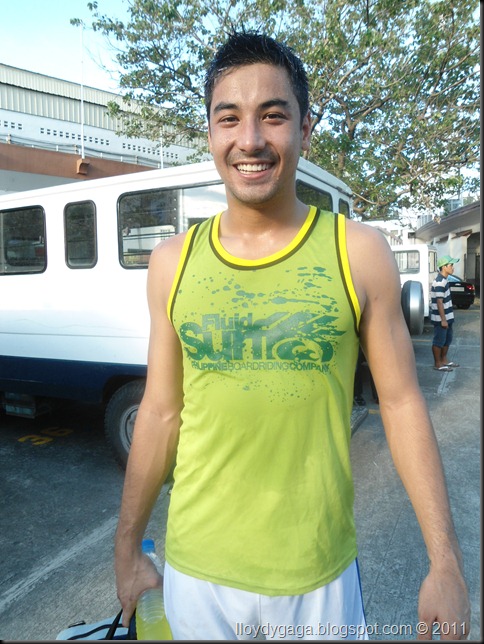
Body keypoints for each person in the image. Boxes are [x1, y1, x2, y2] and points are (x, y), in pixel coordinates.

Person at [114, 31, 470, 640]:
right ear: (210, 133)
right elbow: (160, 410)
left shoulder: (358, 251)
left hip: (316, 575)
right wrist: (126, 549)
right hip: (197, 573)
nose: (250, 139)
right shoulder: (172, 262)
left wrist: (446, 562)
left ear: (304, 130)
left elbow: (402, 403)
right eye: (229, 118)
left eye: (273, 116)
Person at [430, 256, 460, 372]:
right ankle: (438, 364)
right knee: (439, 341)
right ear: (444, 267)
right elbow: (439, 302)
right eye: (451, 265)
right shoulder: (439, 282)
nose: (453, 268)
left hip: (448, 317)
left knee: (447, 339)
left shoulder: (444, 280)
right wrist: (443, 320)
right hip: (441, 319)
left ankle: (444, 360)